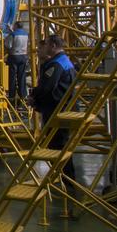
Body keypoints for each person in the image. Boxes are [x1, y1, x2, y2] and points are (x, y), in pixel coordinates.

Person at [30, 34, 77, 185]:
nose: (40, 49)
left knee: (57, 146)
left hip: (57, 111)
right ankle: (65, 178)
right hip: (63, 109)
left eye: (44, 46)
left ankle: (66, 179)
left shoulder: (56, 64)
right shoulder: (64, 61)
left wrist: (33, 96)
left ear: (53, 46)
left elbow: (47, 88)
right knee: (59, 145)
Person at [7, 21, 29, 103]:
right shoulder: (26, 34)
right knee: (22, 76)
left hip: (14, 56)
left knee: (12, 76)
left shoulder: (13, 34)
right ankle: (23, 94)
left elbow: (8, 45)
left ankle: (11, 95)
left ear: (16, 26)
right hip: (23, 56)